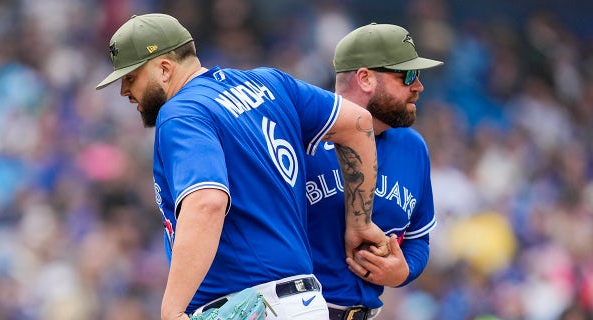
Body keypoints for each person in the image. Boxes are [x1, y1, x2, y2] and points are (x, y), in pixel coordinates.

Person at [95, 14, 386, 320]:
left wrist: (172, 310)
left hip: (255, 306)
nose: (124, 91)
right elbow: (358, 123)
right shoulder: (270, 83)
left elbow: (206, 202)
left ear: (165, 69)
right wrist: (360, 222)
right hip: (304, 303)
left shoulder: (182, 113)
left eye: (131, 78)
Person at [305, 23, 443, 320]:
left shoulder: (413, 147)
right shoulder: (305, 139)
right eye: (407, 75)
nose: (418, 86)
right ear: (365, 78)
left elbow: (419, 239)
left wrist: (403, 270)